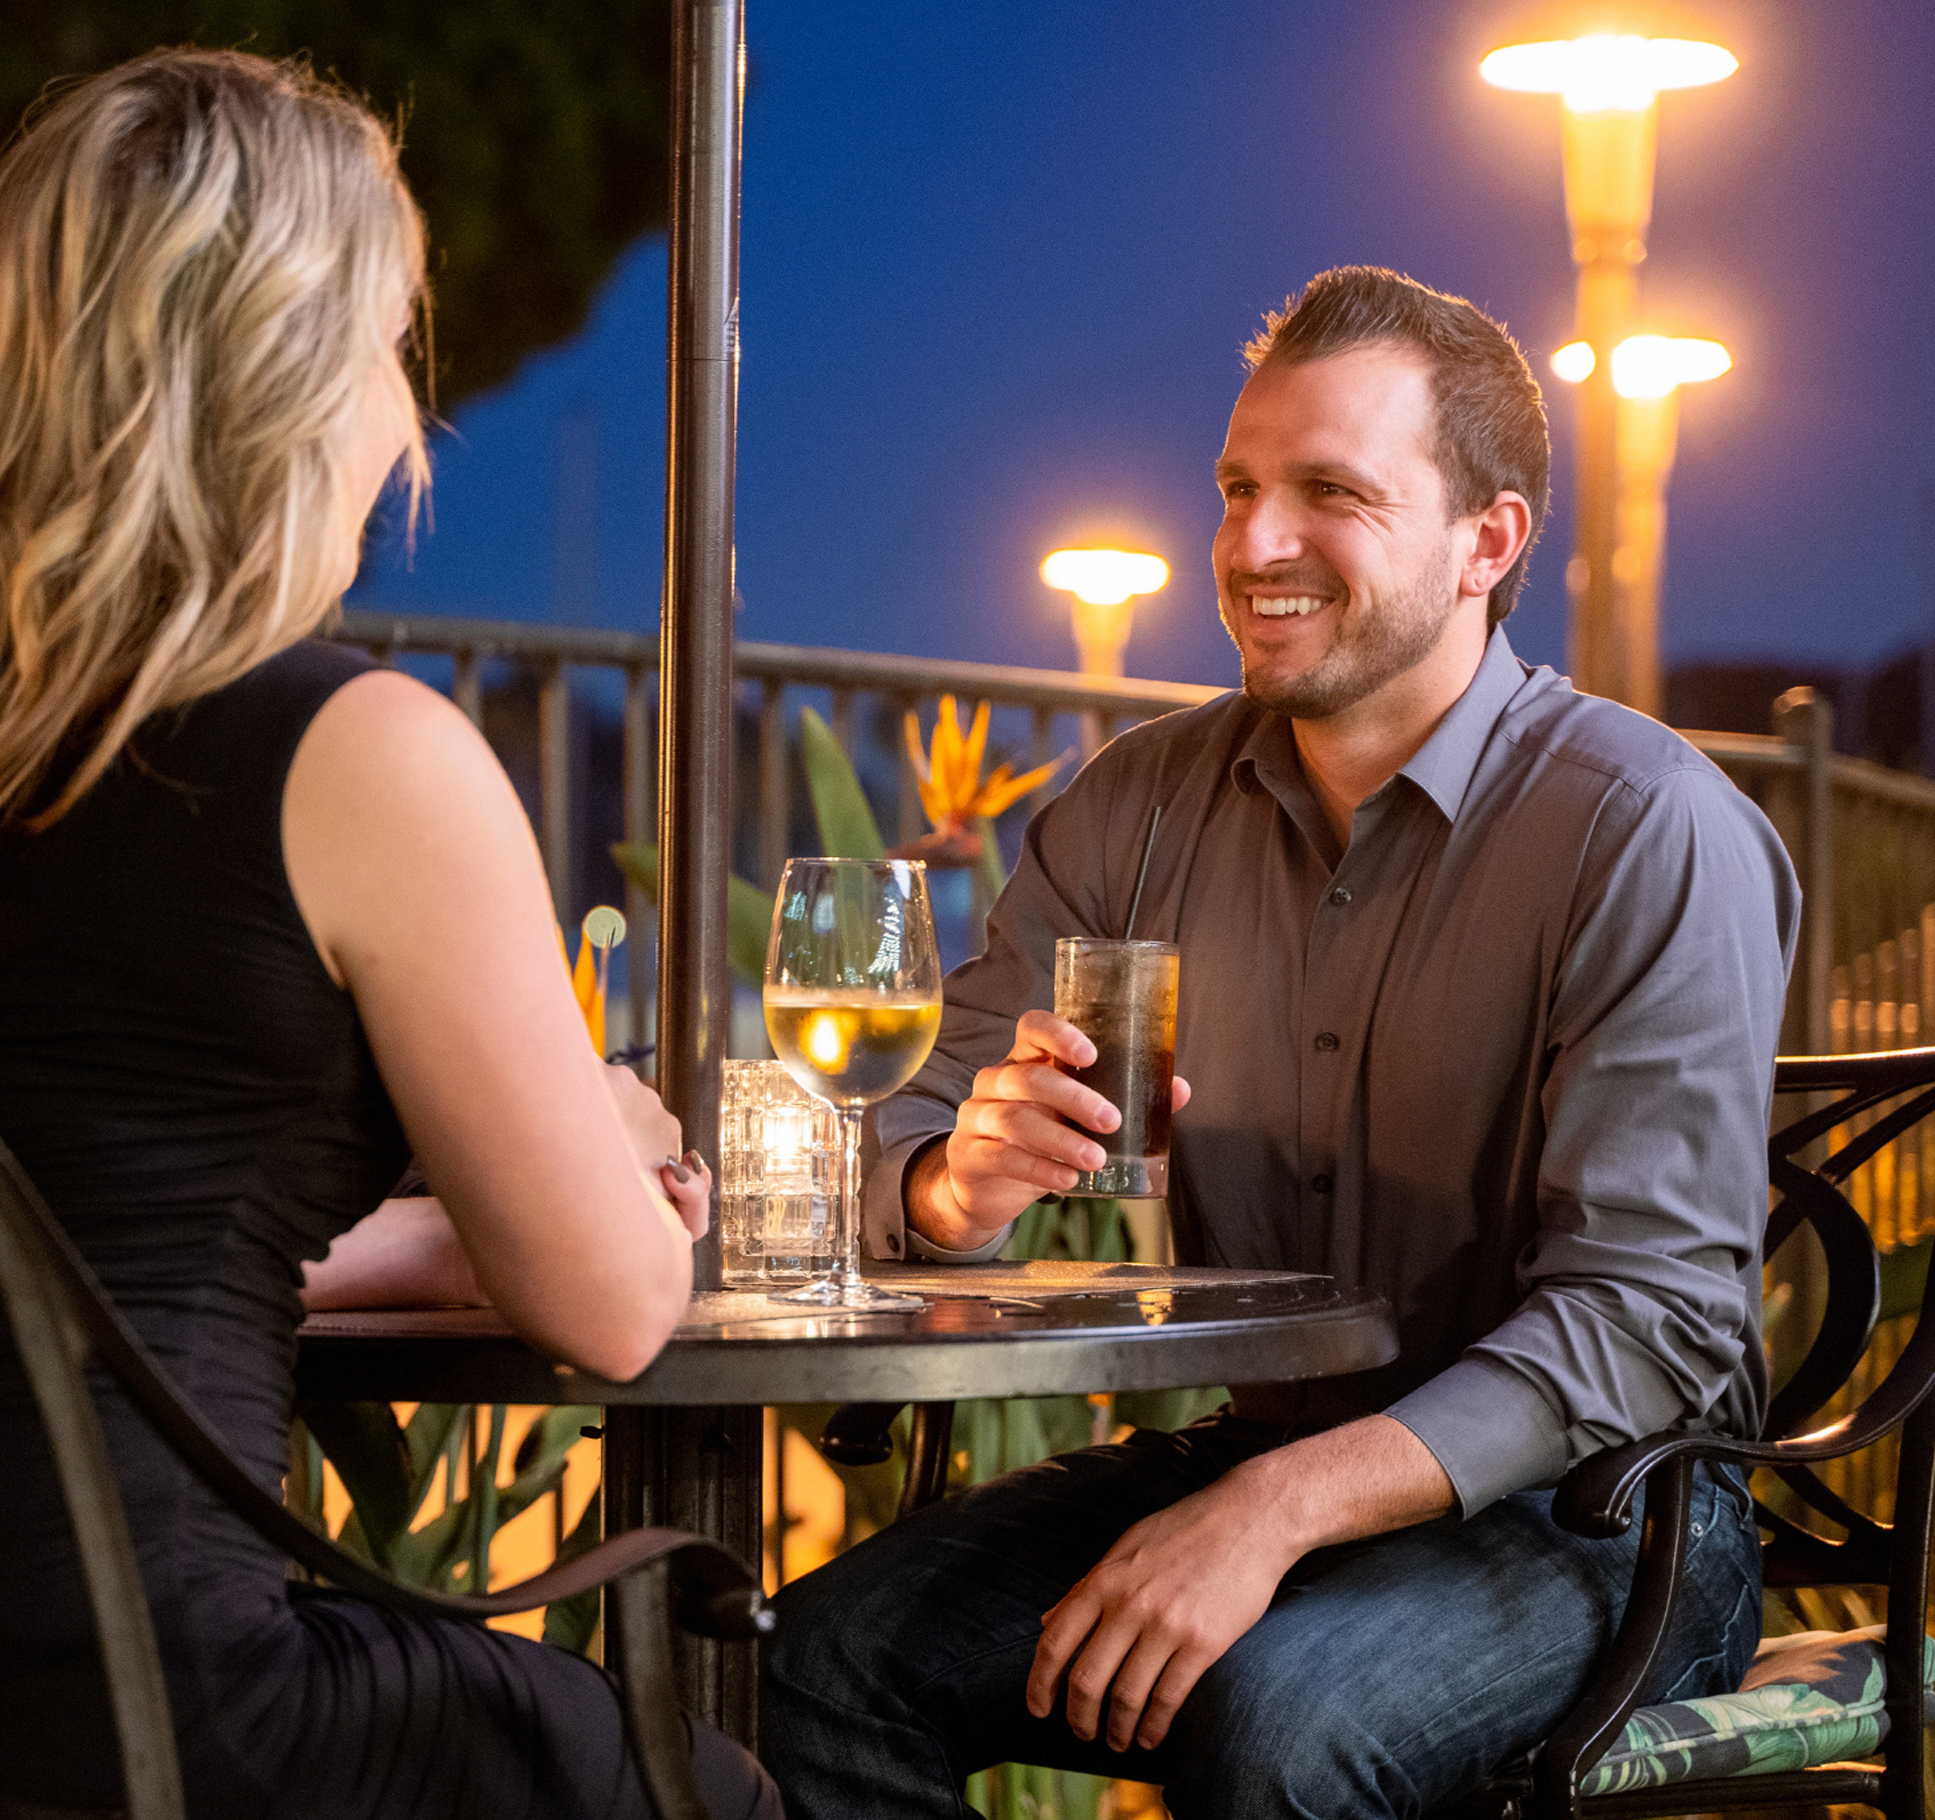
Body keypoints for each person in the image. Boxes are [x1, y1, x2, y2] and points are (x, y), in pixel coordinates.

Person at [0, 49, 777, 1819]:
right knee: (693, 1783)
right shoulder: (367, 754)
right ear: (292, 379)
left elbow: (13, 1248)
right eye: (389, 348)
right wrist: (620, 1152)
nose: (408, 424)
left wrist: (412, 1244)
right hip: (88, 1715)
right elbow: (618, 1309)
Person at [759, 267, 1798, 1819]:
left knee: (1270, 1728)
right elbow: (897, 1110)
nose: (1251, 547)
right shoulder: (1139, 805)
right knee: (811, 1668)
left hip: (1604, 1520)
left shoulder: (1642, 829)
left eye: (1331, 493)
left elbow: (1646, 1323)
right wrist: (945, 1194)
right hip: (1265, 1458)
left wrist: (1271, 1511)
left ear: (1487, 543)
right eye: (1239, 488)